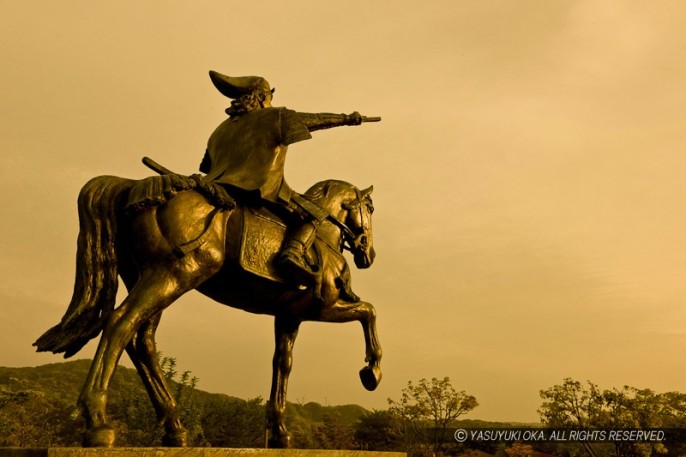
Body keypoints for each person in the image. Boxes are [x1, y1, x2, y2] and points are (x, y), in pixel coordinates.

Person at [200, 70, 372, 286]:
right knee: (315, 215)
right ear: (262, 97)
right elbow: (315, 120)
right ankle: (293, 253)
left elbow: (208, 167)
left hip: (216, 188)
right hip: (260, 188)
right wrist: (346, 119)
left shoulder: (218, 131)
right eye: (269, 97)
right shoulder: (275, 116)